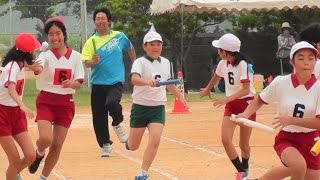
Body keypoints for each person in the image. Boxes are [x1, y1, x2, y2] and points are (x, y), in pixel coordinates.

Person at [238, 41, 320, 180]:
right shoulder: (281, 82)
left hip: (312, 140)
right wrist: (245, 115)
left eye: (311, 58)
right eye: (300, 58)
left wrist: (291, 120)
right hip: (287, 138)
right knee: (298, 166)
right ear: (292, 62)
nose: (306, 62)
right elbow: (259, 100)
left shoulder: (318, 88)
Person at [125, 30, 188, 180]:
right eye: (152, 44)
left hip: (158, 107)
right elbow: (134, 79)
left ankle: (143, 173)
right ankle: (128, 142)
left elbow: (169, 84)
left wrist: (180, 96)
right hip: (140, 107)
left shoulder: (166, 63)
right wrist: (147, 82)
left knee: (155, 138)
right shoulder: (139, 62)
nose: (155, 47)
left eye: (158, 44)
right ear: (145, 46)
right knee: (134, 146)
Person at [27, 16, 85, 180]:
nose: (55, 38)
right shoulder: (45, 55)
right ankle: (38, 153)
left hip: (66, 103)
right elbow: (38, 68)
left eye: (58, 33)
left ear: (64, 34)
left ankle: (43, 177)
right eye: (51, 34)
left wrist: (71, 83)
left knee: (57, 145)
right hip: (46, 101)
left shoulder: (75, 56)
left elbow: (79, 81)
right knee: (46, 138)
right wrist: (36, 68)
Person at [200, 33, 256, 180]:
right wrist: (207, 89)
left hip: (247, 105)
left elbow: (245, 89)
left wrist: (226, 99)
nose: (217, 51)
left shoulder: (243, 65)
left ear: (225, 51)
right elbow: (216, 77)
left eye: (219, 49)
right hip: (232, 104)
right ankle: (242, 172)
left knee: (244, 144)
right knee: (226, 139)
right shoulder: (222, 63)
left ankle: (246, 167)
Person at [81, 7, 136, 157]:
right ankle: (105, 144)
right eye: (97, 19)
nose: (100, 21)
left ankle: (117, 123)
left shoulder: (119, 36)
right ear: (94, 22)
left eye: (102, 18)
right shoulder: (91, 42)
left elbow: (130, 48)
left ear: (109, 21)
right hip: (98, 83)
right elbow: (86, 63)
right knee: (98, 116)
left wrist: (136, 66)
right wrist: (93, 61)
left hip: (115, 81)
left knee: (112, 103)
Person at [0, 33, 41, 180]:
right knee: (15, 161)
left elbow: (33, 67)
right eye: (32, 50)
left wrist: (35, 68)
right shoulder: (12, 66)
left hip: (15, 114)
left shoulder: (20, 62)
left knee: (30, 156)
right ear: (26, 52)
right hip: (2, 114)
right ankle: (12, 175)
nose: (33, 52)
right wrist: (23, 105)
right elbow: (11, 89)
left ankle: (12, 174)